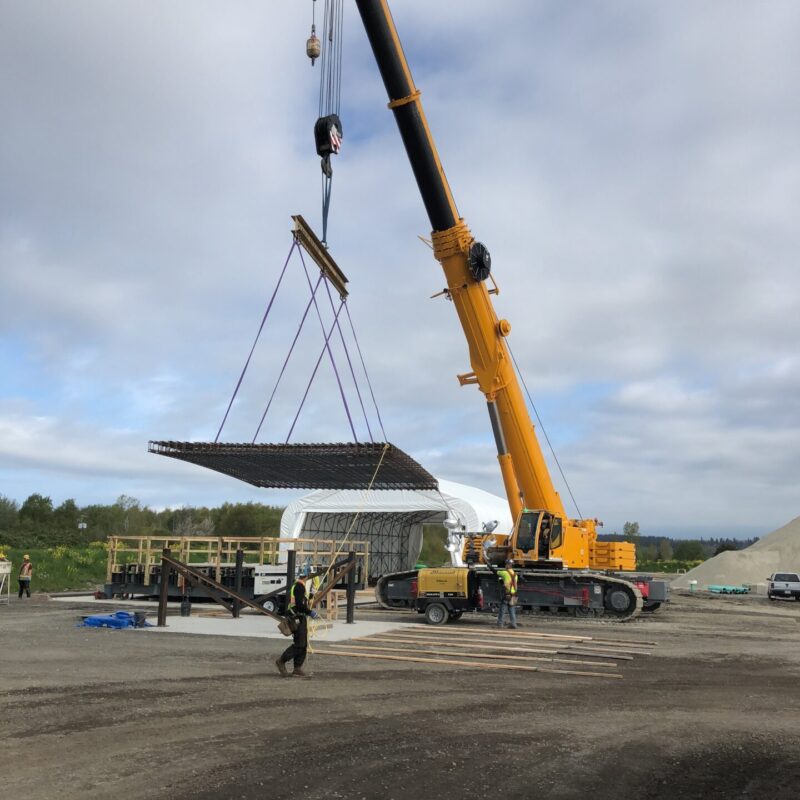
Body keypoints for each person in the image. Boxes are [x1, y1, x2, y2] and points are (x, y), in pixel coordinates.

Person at [275, 574, 317, 678]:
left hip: (300, 617)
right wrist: (310, 612)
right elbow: (299, 605)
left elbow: (302, 601)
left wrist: (311, 594)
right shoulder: (299, 586)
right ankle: (281, 661)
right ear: (306, 577)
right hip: (297, 618)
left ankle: (297, 668)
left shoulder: (299, 586)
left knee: (303, 644)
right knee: (299, 644)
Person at [496, 558, 518, 629]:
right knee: (512, 610)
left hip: (507, 594)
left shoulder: (505, 573)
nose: (505, 565)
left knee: (502, 609)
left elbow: (497, 572)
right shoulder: (515, 575)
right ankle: (513, 624)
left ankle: (500, 624)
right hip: (513, 595)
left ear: (508, 565)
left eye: (506, 564)